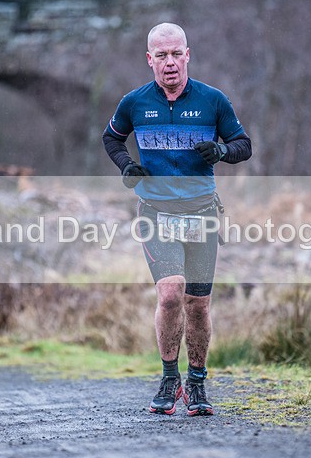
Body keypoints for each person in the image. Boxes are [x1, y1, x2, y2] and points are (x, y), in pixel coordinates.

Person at [103, 23, 252, 416]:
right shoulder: (134, 102)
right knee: (170, 295)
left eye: (176, 54)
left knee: (198, 305)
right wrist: (127, 166)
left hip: (202, 213)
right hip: (156, 212)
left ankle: (197, 384)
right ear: (149, 60)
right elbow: (111, 138)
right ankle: (170, 377)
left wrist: (220, 150)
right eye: (161, 55)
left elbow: (244, 145)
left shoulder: (213, 100)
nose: (170, 63)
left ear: (188, 55)